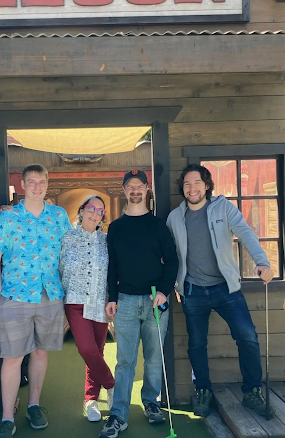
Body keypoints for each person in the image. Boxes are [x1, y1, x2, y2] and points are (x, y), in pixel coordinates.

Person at [166, 164, 275, 418]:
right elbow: (169, 255)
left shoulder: (223, 208)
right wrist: (174, 285)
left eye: (196, 183)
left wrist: (263, 262)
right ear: (183, 189)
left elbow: (246, 234)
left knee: (247, 337)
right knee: (196, 344)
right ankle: (203, 390)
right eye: (187, 185)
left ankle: (252, 392)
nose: (191, 189)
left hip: (227, 288)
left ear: (206, 185)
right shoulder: (174, 218)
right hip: (193, 290)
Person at [0, 164, 71, 438]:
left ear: (48, 184)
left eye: (42, 181)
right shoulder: (8, 218)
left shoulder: (59, 216)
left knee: (40, 352)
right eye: (31, 181)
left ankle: (34, 405)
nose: (37, 186)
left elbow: (69, 254)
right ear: (23, 185)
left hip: (50, 293)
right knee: (12, 358)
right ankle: (7, 418)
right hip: (14, 295)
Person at [99, 170, 178, 438]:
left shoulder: (158, 225)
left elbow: (173, 261)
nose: (135, 190)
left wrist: (165, 292)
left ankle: (151, 402)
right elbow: (112, 267)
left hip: (155, 300)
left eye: (139, 186)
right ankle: (118, 414)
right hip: (126, 301)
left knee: (154, 357)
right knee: (125, 360)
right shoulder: (117, 228)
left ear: (147, 189)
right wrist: (111, 297)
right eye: (130, 186)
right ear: (124, 190)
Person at [59, 195, 115, 422]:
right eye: (91, 208)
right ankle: (113, 386)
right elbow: (59, 267)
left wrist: (112, 299)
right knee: (87, 349)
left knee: (97, 352)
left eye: (100, 210)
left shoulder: (107, 241)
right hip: (75, 301)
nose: (95, 213)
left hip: (100, 302)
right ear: (81, 211)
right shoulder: (66, 238)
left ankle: (91, 399)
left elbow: (113, 272)